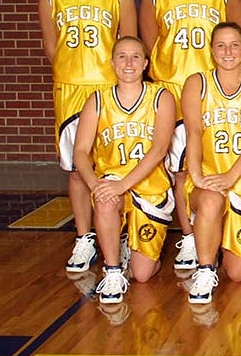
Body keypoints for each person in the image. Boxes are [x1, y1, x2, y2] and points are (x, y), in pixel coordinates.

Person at [139, 0, 241, 273]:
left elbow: (239, 38)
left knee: (219, 161)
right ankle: (188, 235)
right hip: (172, 87)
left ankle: (224, 232)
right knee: (180, 169)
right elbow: (150, 48)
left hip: (213, 89)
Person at [37, 0, 138, 273]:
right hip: (71, 88)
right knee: (77, 168)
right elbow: (52, 47)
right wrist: (71, 71)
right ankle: (84, 238)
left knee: (114, 163)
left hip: (108, 87)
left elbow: (130, 43)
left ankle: (121, 235)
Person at [73, 36, 176, 304]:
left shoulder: (161, 97)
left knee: (143, 275)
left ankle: (129, 246)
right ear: (112, 63)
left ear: (145, 63)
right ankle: (113, 270)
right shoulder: (97, 100)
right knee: (105, 200)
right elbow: (81, 152)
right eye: (121, 56)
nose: (128, 63)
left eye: (134, 57)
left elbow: (159, 150)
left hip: (150, 188)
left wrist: (122, 185)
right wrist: (95, 184)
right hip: (113, 181)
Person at [181, 22, 241, 304]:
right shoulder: (196, 83)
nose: (228, 51)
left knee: (236, 274)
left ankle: (217, 238)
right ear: (211, 50)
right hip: (209, 177)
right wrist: (196, 176)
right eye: (220, 45)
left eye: (234, 45)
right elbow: (193, 131)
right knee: (209, 200)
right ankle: (206, 269)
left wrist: (231, 177)